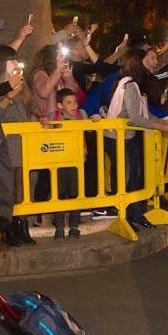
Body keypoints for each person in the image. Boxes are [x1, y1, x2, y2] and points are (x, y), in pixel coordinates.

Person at [105, 48, 168, 230]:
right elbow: (134, 117)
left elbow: (143, 112)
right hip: (118, 137)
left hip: (128, 136)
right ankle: (127, 215)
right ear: (139, 63)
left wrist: (160, 120)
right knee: (127, 177)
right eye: (151, 59)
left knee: (135, 177)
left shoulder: (135, 85)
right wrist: (160, 126)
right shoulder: (129, 85)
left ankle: (137, 214)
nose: (154, 64)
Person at [0, 44, 36, 247]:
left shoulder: (22, 83)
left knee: (23, 186)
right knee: (7, 187)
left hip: (22, 142)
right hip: (3, 144)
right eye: (11, 60)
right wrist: (9, 95)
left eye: (16, 60)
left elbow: (32, 106)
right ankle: (8, 228)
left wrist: (41, 116)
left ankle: (22, 225)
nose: (15, 64)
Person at [50, 88, 100, 239]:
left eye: (75, 102)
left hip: (78, 160)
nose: (73, 105)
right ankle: (59, 227)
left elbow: (90, 124)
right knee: (58, 193)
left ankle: (73, 225)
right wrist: (43, 122)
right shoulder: (54, 116)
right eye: (69, 102)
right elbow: (43, 128)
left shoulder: (81, 115)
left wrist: (95, 118)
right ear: (60, 105)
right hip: (58, 161)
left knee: (75, 192)